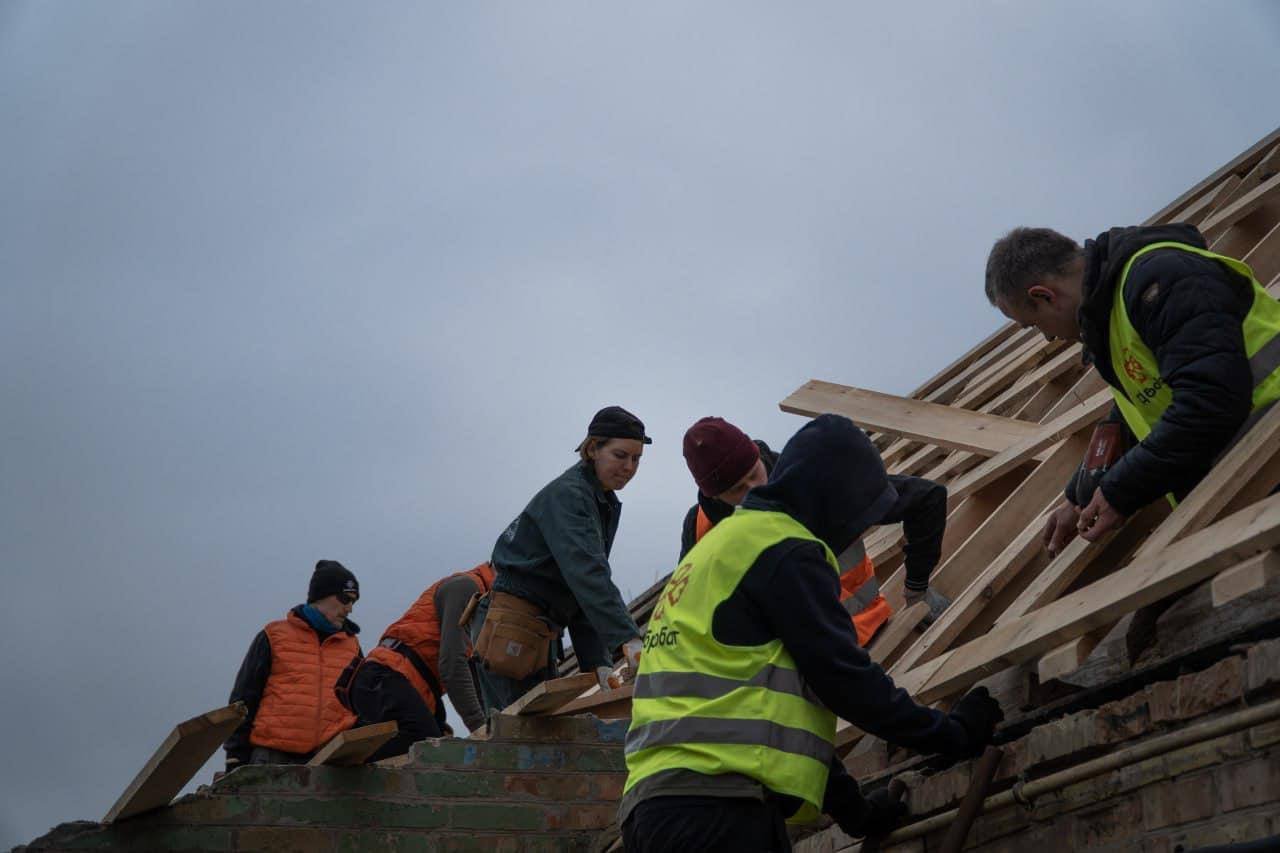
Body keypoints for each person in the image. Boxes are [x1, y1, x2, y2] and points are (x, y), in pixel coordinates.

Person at [620, 415, 1002, 852]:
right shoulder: (783, 549)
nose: (859, 530)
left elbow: (769, 714)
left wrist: (857, 813)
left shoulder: (715, 552)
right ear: (832, 499)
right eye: (859, 517)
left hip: (654, 811)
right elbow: (844, 680)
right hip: (719, 812)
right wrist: (953, 734)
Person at [984, 224, 1280, 553]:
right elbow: (1146, 405)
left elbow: (1209, 398)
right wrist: (1080, 492)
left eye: (1034, 324)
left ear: (1043, 295)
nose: (1047, 338)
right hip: (1249, 474)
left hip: (1270, 451)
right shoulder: (1113, 314)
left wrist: (1121, 491)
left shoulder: (1160, 279)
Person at [680, 416, 950, 644]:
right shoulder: (701, 530)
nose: (754, 490)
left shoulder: (810, 483)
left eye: (754, 474)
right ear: (714, 495)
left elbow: (927, 498)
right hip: (799, 675)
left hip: (873, 631)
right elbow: (691, 614)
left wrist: (917, 590)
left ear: (758, 456)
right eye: (736, 489)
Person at [468, 406, 648, 715]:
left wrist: (598, 665)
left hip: (539, 634)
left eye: (636, 459)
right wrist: (629, 640)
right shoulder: (571, 496)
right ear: (593, 449)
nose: (629, 467)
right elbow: (588, 577)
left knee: (541, 732)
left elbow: (580, 590)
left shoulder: (601, 502)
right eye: (620, 455)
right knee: (521, 738)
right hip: (513, 629)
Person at [347, 562, 495, 760]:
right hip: (385, 675)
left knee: (441, 750)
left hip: (413, 686)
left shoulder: (487, 609)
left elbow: (471, 673)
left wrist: (491, 725)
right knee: (425, 747)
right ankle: (341, 770)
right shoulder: (467, 587)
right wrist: (482, 729)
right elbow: (452, 666)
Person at [224, 560, 362, 771]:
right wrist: (235, 756)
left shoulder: (352, 646)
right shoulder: (274, 635)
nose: (349, 608)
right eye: (345, 599)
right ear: (321, 595)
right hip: (272, 760)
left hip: (333, 763)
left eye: (354, 601)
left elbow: (362, 703)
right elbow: (244, 697)